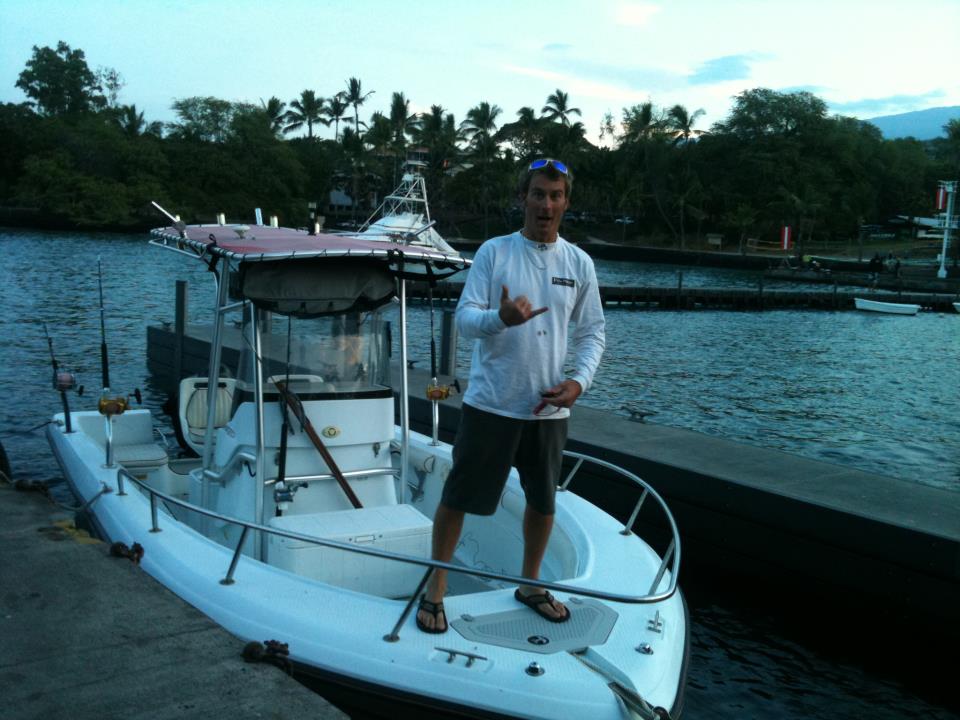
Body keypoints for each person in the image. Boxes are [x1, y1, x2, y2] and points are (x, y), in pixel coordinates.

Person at [416, 159, 605, 633]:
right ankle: (435, 588)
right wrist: (502, 318)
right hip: (492, 405)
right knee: (458, 497)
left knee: (543, 504)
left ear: (566, 202)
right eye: (538, 194)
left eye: (555, 195)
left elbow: (593, 333)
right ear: (523, 198)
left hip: (546, 410)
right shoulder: (494, 253)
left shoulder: (579, 263)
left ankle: (531, 583)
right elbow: (465, 319)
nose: (546, 204)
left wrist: (578, 382)